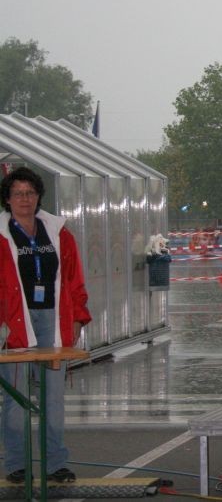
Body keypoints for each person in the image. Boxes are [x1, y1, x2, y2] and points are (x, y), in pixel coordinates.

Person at [0, 167, 91, 484]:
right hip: (14, 325)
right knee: (16, 399)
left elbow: (74, 278)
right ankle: (16, 464)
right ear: (8, 199)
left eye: (30, 192)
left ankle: (55, 464)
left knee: (53, 398)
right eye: (18, 193)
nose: (24, 199)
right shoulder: (1, 234)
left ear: (39, 196)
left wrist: (78, 316)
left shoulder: (59, 232)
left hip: (53, 320)